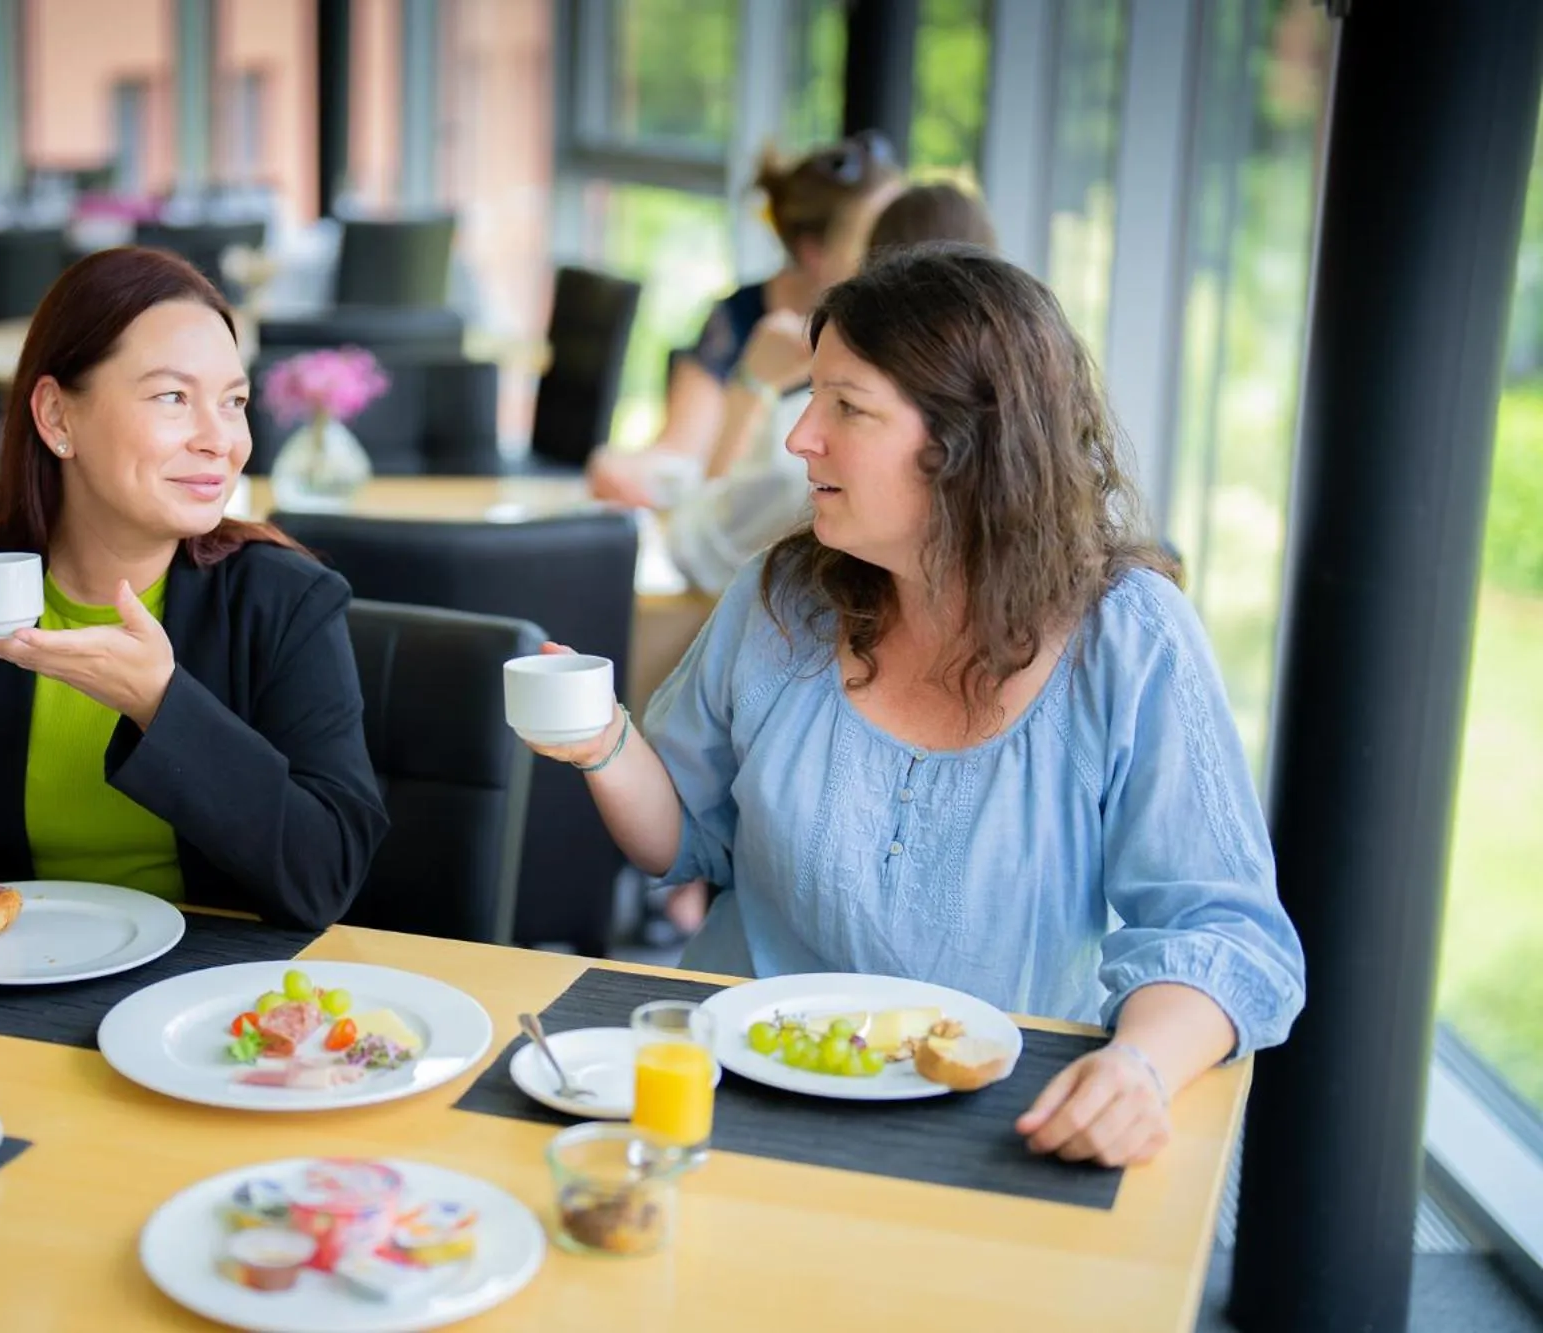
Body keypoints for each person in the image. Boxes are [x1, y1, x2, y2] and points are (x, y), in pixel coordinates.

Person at [528, 245, 1305, 1166]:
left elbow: (1226, 934)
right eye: (810, 395)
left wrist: (1138, 1066)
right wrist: (603, 738)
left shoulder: (1130, 637)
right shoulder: (781, 595)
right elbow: (686, 837)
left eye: (846, 407)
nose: (799, 435)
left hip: (997, 1125)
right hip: (733, 1099)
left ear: (967, 445)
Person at [0, 247, 387, 931]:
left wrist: (161, 705)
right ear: (57, 417)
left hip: (210, 1003)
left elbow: (326, 876)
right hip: (0, 995)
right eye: (173, 397)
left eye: (233, 402)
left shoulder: (287, 602)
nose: (221, 440)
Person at [669, 181, 1001, 598]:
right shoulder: (1010, 453)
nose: (801, 440)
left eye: (848, 405)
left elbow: (698, 547)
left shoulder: (809, 468)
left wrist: (750, 387)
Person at [584, 131, 903, 508]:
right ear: (813, 251)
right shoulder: (738, 318)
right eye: (880, 236)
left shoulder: (891, 335)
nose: (900, 250)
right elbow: (680, 455)